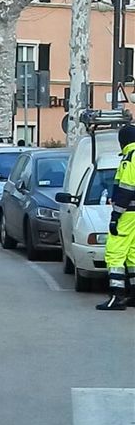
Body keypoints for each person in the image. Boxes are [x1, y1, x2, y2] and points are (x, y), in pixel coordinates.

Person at [97, 125, 135, 310]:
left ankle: (117, 297)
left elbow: (126, 190)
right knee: (134, 254)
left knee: (115, 253)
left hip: (128, 213)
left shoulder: (130, 158)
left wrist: (115, 216)